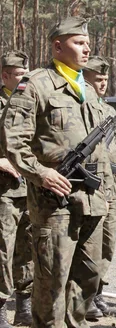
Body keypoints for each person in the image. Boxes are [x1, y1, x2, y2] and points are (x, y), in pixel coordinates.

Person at [0, 16, 112, 327]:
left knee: (87, 280)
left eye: (88, 43)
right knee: (52, 283)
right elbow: (13, 140)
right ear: (58, 46)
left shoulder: (88, 89)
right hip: (55, 202)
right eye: (79, 43)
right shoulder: (35, 84)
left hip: (93, 201)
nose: (86, 49)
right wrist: (41, 174)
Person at [81, 56, 116, 320]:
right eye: (98, 79)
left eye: (106, 79)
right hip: (89, 186)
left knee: (107, 245)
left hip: (109, 186)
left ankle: (97, 292)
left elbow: (114, 154)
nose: (103, 83)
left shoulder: (108, 111)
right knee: (89, 246)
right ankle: (84, 298)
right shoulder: (81, 106)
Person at [0, 51, 32, 327]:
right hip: (4, 191)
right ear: (5, 75)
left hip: (30, 189)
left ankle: (25, 304)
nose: (24, 79)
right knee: (3, 248)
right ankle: (0, 305)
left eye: (26, 74)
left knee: (29, 247)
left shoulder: (30, 102)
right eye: (20, 75)